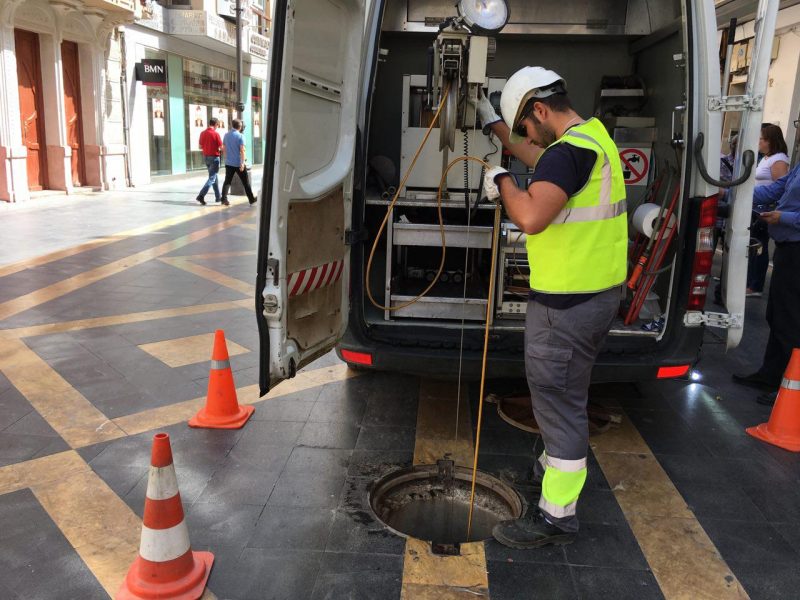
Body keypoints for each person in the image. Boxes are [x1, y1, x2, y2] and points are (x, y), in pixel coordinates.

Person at [471, 67, 627, 548]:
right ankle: (549, 470)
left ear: (540, 109)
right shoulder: (592, 138)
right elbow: (534, 153)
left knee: (557, 403)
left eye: (525, 124)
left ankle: (556, 516)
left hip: (567, 306)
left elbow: (531, 216)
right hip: (595, 296)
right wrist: (493, 124)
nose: (526, 135)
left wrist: (501, 180)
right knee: (566, 394)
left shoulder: (568, 153)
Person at [733, 161, 800, 405]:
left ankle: (790, 388)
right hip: (787, 248)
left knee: (790, 320)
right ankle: (770, 375)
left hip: (797, 251)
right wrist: (732, 191)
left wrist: (783, 217)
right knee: (777, 315)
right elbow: (775, 189)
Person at [746, 124, 790, 297]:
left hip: (764, 209)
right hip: (755, 206)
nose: (759, 142)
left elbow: (780, 189)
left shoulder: (778, 160)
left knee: (760, 246)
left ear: (771, 141)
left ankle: (755, 286)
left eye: (762, 139)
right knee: (754, 245)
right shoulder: (766, 158)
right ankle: (750, 282)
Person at [220, 119, 257, 206]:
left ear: (232, 125)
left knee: (227, 181)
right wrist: (242, 163)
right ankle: (251, 199)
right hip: (238, 163)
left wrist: (226, 158)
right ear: (240, 127)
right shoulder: (241, 136)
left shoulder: (226, 135)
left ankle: (224, 199)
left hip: (229, 163)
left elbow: (223, 148)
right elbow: (242, 150)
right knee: (245, 182)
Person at [196, 117, 223, 205]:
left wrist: (207, 147)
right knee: (212, 178)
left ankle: (218, 197)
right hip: (214, 158)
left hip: (206, 157)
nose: (217, 127)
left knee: (214, 176)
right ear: (216, 124)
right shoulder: (216, 134)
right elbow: (221, 147)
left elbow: (200, 146)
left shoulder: (202, 133)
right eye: (217, 125)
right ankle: (201, 195)